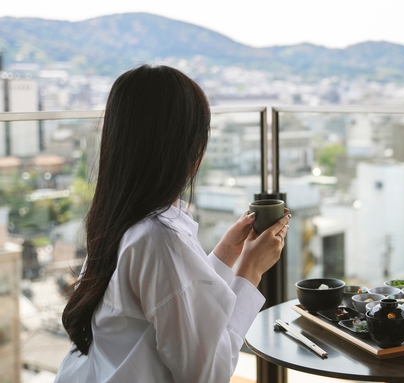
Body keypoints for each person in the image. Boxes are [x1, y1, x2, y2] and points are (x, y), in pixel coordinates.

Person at [55, 64, 290, 382]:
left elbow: (172, 303)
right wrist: (250, 269)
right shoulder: (161, 238)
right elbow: (208, 372)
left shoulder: (120, 220)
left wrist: (224, 256)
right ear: (189, 149)